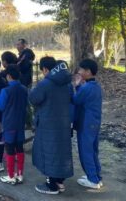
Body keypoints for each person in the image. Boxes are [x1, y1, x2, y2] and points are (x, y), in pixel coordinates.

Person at [29, 57, 73, 195]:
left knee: (48, 151)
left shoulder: (46, 84)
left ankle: (51, 185)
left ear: (46, 69)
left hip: (48, 123)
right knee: (61, 151)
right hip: (64, 123)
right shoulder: (67, 83)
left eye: (42, 70)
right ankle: (59, 182)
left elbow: (33, 99)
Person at [73, 59, 103, 189]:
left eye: (81, 70)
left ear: (88, 71)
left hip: (86, 123)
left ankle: (92, 180)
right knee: (93, 150)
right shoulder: (96, 86)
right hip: (95, 122)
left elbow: (76, 100)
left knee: (86, 151)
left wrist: (76, 85)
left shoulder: (86, 88)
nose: (79, 72)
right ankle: (96, 176)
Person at [0, 64, 28, 185]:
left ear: (9, 76)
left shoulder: (5, 90)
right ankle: (20, 174)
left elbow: (1, 106)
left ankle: (10, 175)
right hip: (20, 122)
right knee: (20, 148)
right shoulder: (24, 89)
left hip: (9, 123)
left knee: (9, 149)